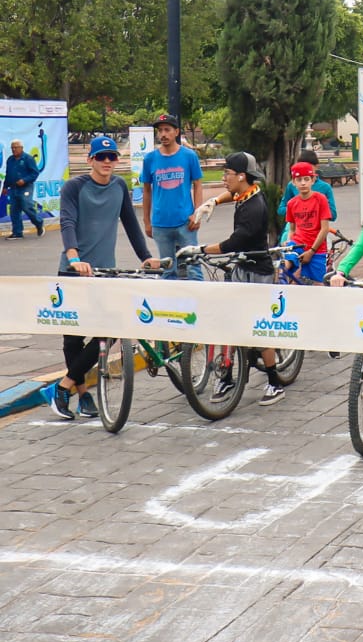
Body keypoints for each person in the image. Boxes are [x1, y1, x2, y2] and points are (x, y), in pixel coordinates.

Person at [47, 137, 160, 420]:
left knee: (108, 331)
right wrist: (73, 256)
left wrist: (145, 256)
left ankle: (63, 386)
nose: (107, 162)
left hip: (105, 272)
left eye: (111, 157)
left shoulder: (119, 186)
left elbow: (131, 224)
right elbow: (67, 221)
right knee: (73, 339)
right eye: (101, 157)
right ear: (90, 160)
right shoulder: (74, 187)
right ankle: (83, 397)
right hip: (73, 271)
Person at [195, 152, 287, 405]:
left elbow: (233, 243)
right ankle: (227, 376)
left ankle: (274, 382)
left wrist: (201, 249)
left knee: (257, 329)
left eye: (227, 174)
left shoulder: (255, 208)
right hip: (242, 268)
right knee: (231, 322)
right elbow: (232, 194)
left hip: (258, 272)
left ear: (241, 176)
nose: (224, 178)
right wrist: (213, 201)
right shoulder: (247, 193)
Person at [140, 114, 204, 277]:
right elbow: (146, 190)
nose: (163, 134)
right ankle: (171, 302)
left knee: (193, 267)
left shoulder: (189, 156)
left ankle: (198, 300)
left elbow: (197, 185)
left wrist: (197, 213)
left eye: (167, 130)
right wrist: (147, 221)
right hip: (161, 224)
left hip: (185, 222)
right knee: (168, 270)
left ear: (176, 132)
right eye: (160, 131)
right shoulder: (150, 159)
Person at [281, 161, 334, 283]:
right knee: (285, 270)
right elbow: (292, 229)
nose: (303, 183)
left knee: (318, 283)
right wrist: (290, 241)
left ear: (312, 180)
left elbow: (324, 228)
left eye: (306, 179)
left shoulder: (320, 199)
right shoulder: (291, 204)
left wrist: (312, 251)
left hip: (317, 249)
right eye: (299, 180)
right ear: (293, 182)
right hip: (298, 244)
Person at [277, 149, 338, 225]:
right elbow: (281, 209)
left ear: (316, 167)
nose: (304, 168)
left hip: (317, 229)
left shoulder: (325, 187)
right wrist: (298, 210)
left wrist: (313, 210)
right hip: (296, 227)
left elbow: (333, 214)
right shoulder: (292, 185)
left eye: (308, 166)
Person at [4, 137, 45, 239]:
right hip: (13, 188)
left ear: (21, 148)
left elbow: (35, 173)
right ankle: (17, 232)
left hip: (25, 187)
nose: (14, 149)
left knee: (26, 205)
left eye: (16, 147)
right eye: (12, 148)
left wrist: (25, 180)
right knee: (14, 210)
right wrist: (5, 186)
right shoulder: (10, 160)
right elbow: (8, 174)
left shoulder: (28, 159)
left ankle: (39, 223)